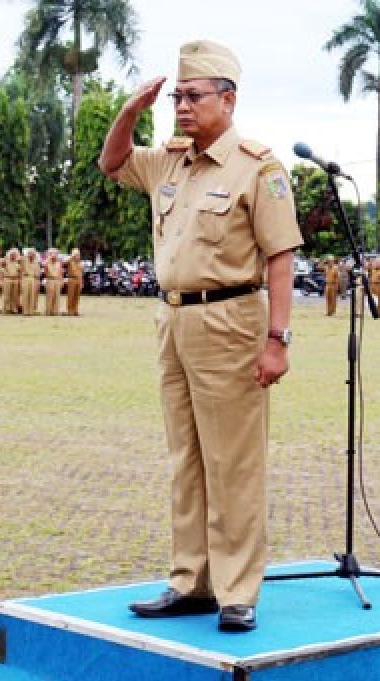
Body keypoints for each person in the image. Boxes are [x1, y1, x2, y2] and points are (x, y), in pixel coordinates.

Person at [100, 39, 302, 633]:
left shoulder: (256, 166)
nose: (181, 107)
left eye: (194, 96)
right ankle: (191, 581)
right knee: (185, 458)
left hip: (231, 319)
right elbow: (112, 164)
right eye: (178, 98)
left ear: (228, 98)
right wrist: (129, 113)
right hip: (175, 320)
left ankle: (237, 591)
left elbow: (282, 257)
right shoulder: (170, 160)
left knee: (233, 461)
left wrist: (277, 340)